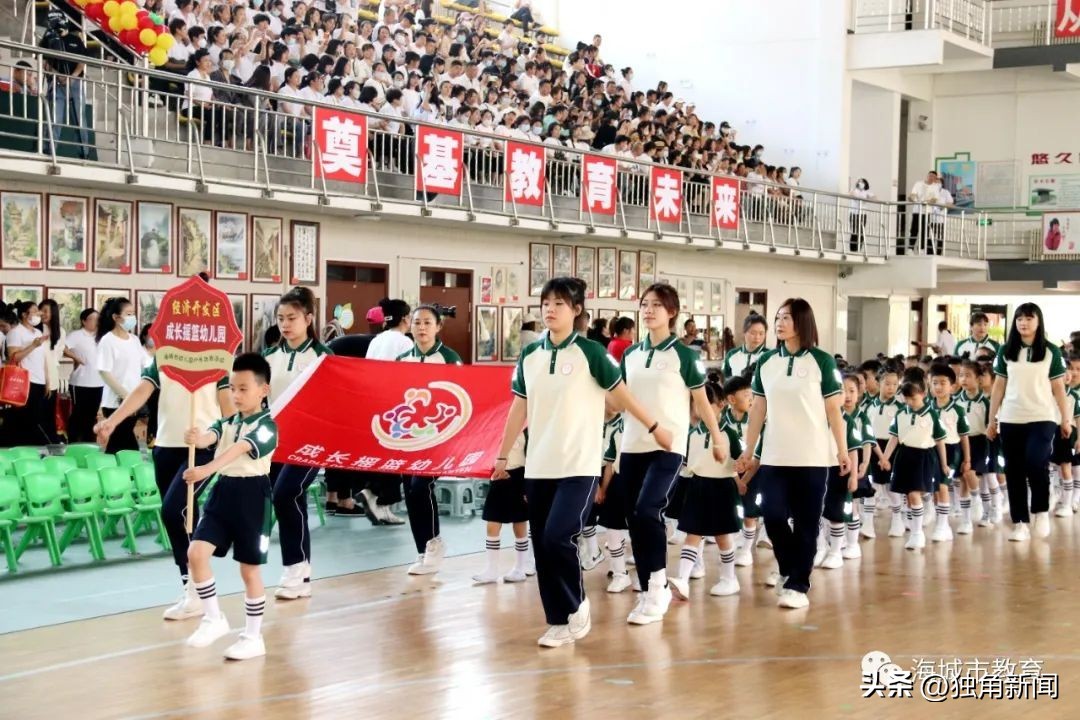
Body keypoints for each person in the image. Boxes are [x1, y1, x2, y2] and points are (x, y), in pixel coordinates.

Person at [491, 277, 671, 648]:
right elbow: (518, 407)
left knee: (558, 536)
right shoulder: (530, 355)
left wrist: (655, 428)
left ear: (576, 310)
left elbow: (622, 397)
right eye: (545, 303)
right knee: (543, 546)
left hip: (579, 467)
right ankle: (559, 621)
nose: (550, 309)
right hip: (539, 467)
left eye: (559, 303)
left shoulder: (591, 352)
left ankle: (577, 605)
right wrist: (503, 455)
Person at [94, 310, 233, 622]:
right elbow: (141, 392)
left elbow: (228, 410)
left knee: (173, 511)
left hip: (201, 447)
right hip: (166, 446)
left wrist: (224, 442)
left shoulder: (219, 360)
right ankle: (192, 588)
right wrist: (112, 422)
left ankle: (196, 589)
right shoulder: (163, 357)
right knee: (182, 516)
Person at [620, 283, 723, 626]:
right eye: (644, 304)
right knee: (634, 518)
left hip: (668, 447)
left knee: (648, 509)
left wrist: (717, 438)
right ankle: (651, 588)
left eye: (657, 305)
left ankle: (657, 585)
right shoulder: (630, 355)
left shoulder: (685, 355)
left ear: (672, 312)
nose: (648, 310)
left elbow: (701, 401)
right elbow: (619, 398)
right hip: (632, 446)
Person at [737, 298, 850, 610]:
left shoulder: (822, 361)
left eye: (786, 317)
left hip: (813, 457)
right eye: (778, 317)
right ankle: (788, 569)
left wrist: (842, 451)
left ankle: (799, 585)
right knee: (772, 516)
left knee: (806, 523)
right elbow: (757, 410)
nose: (780, 323)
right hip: (774, 456)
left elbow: (834, 411)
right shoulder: (766, 362)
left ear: (802, 322)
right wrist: (749, 449)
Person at [182, 352, 278, 661]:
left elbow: (240, 448)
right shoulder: (227, 422)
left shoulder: (268, 426)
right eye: (233, 388)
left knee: (249, 570)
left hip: (253, 497)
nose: (235, 395)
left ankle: (253, 637)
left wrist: (206, 469)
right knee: (196, 553)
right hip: (223, 492)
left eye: (243, 389)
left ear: (263, 390)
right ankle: (213, 618)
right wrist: (197, 437)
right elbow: (211, 436)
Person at [264, 287, 332, 600]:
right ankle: (301, 572)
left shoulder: (324, 357)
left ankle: (294, 567)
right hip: (276, 444)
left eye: (291, 318)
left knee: (286, 493)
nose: (285, 324)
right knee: (291, 500)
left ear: (308, 318)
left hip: (311, 443)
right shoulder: (269, 357)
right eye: (280, 318)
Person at [987, 303, 1073, 541]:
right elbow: (998, 387)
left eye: (1028, 318)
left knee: (1036, 463)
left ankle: (1041, 511)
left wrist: (1065, 419)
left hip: (1042, 417)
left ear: (1038, 321)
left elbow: (1058, 388)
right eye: (1019, 319)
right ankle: (1020, 523)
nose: (1023, 323)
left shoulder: (1051, 351)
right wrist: (992, 420)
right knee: (1013, 469)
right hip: (1011, 417)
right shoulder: (1005, 350)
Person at [394, 305, 463, 576]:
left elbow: (462, 396)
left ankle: (434, 543)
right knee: (410, 491)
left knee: (421, 486)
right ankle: (422, 550)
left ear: (438, 327)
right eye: (417, 322)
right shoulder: (401, 360)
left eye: (427, 323)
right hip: (408, 437)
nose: (421, 328)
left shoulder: (450, 358)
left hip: (439, 437)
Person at [668, 381, 743, 600]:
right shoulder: (691, 434)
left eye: (708, 403)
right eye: (698, 404)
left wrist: (741, 480)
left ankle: (729, 578)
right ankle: (682, 579)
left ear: (721, 405)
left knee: (722, 536)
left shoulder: (729, 434)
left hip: (722, 488)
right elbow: (686, 464)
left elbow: (737, 461)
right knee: (692, 533)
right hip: (697, 486)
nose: (701, 408)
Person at [878, 369, 949, 551]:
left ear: (923, 394)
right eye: (906, 399)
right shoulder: (901, 413)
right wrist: (885, 457)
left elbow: (940, 441)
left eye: (913, 398)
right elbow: (894, 438)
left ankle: (918, 534)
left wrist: (944, 464)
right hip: (904, 455)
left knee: (914, 494)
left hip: (924, 457)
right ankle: (915, 530)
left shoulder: (932, 414)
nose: (909, 402)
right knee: (908, 495)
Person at [95, 297, 146, 453]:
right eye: (128, 314)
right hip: (115, 402)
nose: (132, 317)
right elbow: (104, 372)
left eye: (133, 314)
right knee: (123, 443)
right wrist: (125, 395)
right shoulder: (107, 340)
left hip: (133, 401)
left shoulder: (134, 340)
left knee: (121, 443)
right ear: (116, 317)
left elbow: (144, 366)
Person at [928, 364, 971, 541]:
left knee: (945, 485)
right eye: (934, 383)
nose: (938, 387)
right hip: (932, 451)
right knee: (936, 488)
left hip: (952, 451)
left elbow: (964, 436)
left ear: (952, 386)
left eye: (943, 383)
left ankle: (954, 523)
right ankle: (941, 521)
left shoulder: (958, 410)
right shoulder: (927, 408)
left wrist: (967, 459)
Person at [40, 13, 90, 159]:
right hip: (56, 83)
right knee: (55, 118)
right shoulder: (49, 39)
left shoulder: (76, 39)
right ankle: (49, 151)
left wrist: (72, 77)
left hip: (75, 83)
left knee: (79, 119)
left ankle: (84, 153)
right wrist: (58, 75)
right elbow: (44, 61)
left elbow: (82, 60)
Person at [4, 301, 53, 446]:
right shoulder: (15, 332)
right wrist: (33, 345)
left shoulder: (38, 332)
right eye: (35, 311)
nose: (39, 314)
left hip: (39, 381)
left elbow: (43, 359)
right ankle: (19, 447)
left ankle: (31, 448)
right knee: (24, 418)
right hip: (25, 382)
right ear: (24, 314)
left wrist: (47, 380)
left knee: (35, 417)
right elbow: (14, 357)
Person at [64, 308, 102, 443]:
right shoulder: (76, 335)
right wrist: (76, 358)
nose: (96, 322)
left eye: (98, 319)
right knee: (78, 414)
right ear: (84, 321)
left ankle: (89, 442)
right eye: (92, 319)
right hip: (80, 382)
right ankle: (74, 442)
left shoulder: (101, 336)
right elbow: (62, 348)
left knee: (92, 415)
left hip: (98, 382)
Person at [37, 298, 65, 443]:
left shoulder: (60, 331)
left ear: (53, 313)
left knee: (49, 412)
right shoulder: (37, 330)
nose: (42, 313)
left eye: (46, 311)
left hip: (52, 376)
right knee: (38, 413)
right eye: (40, 310)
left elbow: (56, 357)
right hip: (37, 375)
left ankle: (51, 444)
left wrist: (50, 378)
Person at [722, 313, 768, 378]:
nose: (757, 337)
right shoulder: (731, 354)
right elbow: (724, 378)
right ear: (744, 332)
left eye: (761, 333)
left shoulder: (769, 356)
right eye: (753, 333)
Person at [849, 178, 874, 253]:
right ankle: (853, 250)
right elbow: (850, 194)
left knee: (861, 232)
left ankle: (858, 248)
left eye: (862, 182)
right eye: (859, 181)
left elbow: (874, 198)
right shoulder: (854, 190)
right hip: (854, 214)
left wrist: (867, 198)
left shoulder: (866, 192)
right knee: (854, 232)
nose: (860, 183)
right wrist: (859, 197)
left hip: (862, 214)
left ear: (865, 184)